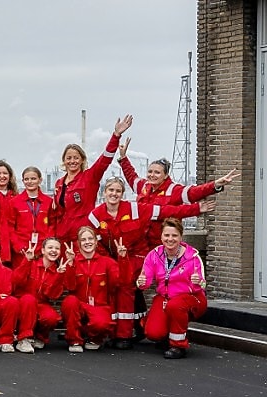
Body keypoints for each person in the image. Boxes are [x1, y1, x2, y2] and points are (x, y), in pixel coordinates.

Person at [89, 177, 210, 349]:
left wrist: (196, 209)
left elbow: (165, 211)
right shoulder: (96, 216)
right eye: (111, 190)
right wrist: (109, 263)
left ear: (122, 194)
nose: (114, 194)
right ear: (104, 192)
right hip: (114, 259)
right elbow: (96, 242)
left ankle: (125, 335)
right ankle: (120, 330)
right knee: (111, 284)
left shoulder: (135, 209)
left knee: (126, 285)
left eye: (118, 191)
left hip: (137, 257)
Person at [118, 137, 238, 246]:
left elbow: (193, 192)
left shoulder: (173, 190)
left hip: (164, 244)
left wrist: (215, 185)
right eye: (150, 172)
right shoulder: (144, 186)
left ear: (165, 176)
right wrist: (123, 158)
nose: (152, 175)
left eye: (157, 172)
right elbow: (131, 176)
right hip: (142, 244)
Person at [49, 114, 130, 244]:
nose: (72, 161)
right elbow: (57, 213)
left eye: (76, 158)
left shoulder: (89, 177)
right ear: (64, 161)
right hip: (62, 237)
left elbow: (105, 159)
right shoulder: (59, 183)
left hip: (82, 236)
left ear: (82, 160)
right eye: (68, 158)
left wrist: (116, 136)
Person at [137, 219, 207, 359]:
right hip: (165, 298)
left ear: (181, 237)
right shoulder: (154, 255)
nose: (170, 239)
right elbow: (145, 283)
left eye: (174, 236)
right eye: (166, 235)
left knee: (175, 306)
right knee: (153, 333)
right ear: (161, 236)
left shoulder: (193, 257)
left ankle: (178, 345)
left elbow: (201, 286)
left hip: (191, 298)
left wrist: (198, 282)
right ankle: (165, 334)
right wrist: (141, 282)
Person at [62, 227, 119, 353]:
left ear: (95, 241)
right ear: (78, 243)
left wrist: (123, 259)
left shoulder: (107, 262)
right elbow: (70, 287)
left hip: (99, 305)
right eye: (83, 240)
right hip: (79, 305)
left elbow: (117, 284)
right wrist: (70, 264)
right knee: (70, 301)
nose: (87, 242)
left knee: (102, 324)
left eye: (90, 239)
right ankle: (74, 340)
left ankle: (94, 339)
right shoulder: (72, 261)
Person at [10, 238, 69, 353]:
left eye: (57, 248)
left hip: (41, 304)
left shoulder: (58, 270)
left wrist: (59, 276)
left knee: (51, 318)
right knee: (29, 299)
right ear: (43, 250)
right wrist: (26, 261)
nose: (54, 251)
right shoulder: (31, 263)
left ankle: (39, 337)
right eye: (50, 248)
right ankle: (24, 339)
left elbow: (52, 295)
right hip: (23, 303)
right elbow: (16, 280)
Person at [7, 167, 53, 264]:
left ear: (40, 180)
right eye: (26, 179)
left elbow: (52, 225)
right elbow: (10, 227)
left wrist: (46, 245)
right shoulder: (14, 202)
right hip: (21, 252)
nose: (30, 182)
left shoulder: (48, 201)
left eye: (33, 178)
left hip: (42, 251)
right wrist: (18, 246)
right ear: (23, 181)